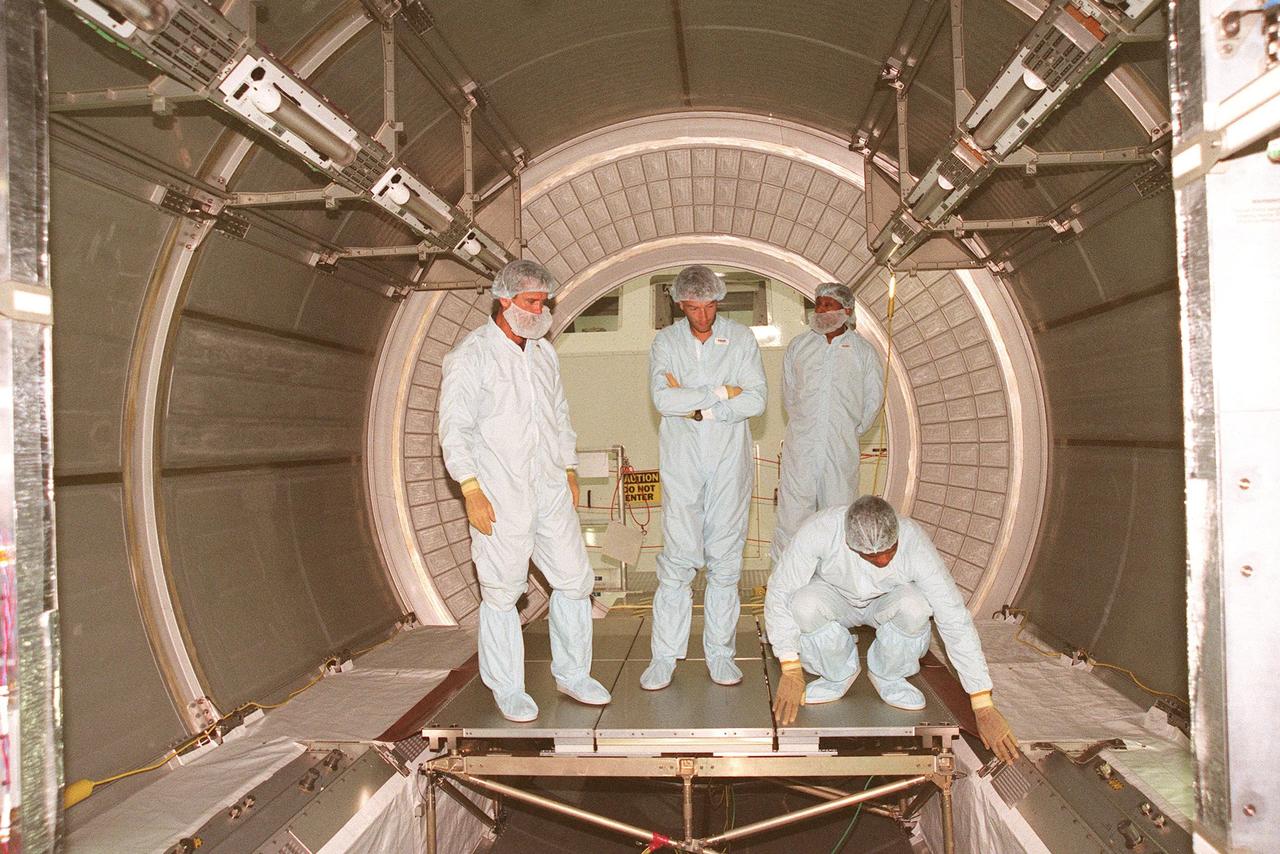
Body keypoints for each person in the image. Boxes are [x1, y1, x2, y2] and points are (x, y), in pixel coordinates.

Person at [438, 259, 611, 722]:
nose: (541, 311)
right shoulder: (470, 357)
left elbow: (558, 413)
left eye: (545, 302)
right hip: (500, 494)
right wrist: (470, 488)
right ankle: (508, 688)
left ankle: (573, 675)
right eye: (533, 302)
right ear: (505, 300)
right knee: (502, 592)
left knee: (575, 582)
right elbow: (454, 429)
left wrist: (569, 467)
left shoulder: (543, 352)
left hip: (550, 488)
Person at [766, 495, 1020, 763]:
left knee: (917, 606)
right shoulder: (819, 531)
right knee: (802, 605)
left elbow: (953, 616)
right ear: (851, 544)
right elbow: (780, 592)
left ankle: (889, 675)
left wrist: (982, 703)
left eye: (890, 549)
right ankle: (837, 674)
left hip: (886, 602)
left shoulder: (914, 542)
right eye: (873, 555)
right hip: (834, 597)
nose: (884, 559)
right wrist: (790, 667)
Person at [642, 265, 767, 690]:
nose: (703, 315)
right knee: (677, 561)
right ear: (680, 304)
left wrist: (698, 407)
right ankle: (664, 656)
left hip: (729, 462)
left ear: (719, 301)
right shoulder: (665, 341)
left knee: (725, 562)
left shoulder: (742, 338)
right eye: (694, 307)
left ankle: (720, 653)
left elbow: (756, 399)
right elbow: (662, 399)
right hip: (682, 462)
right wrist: (720, 392)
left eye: (710, 305)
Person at [771, 282, 883, 563]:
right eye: (818, 304)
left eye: (828, 305)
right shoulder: (800, 346)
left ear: (846, 310)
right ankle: (786, 584)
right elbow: (789, 394)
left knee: (839, 514)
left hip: (840, 449)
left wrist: (848, 431)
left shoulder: (863, 352)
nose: (820, 310)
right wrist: (806, 425)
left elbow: (873, 401)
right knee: (792, 515)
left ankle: (836, 586)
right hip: (801, 448)